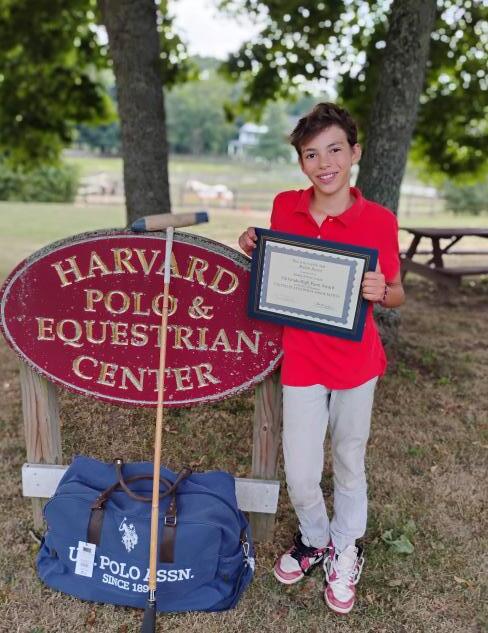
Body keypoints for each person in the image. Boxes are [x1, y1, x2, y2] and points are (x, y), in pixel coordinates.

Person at [238, 102, 405, 615]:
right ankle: (315, 537)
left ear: (355, 153)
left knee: (349, 460)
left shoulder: (378, 220)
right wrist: (253, 244)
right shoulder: (284, 206)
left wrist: (381, 291)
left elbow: (397, 291)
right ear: (301, 162)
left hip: (356, 364)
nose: (324, 163)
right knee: (302, 470)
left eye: (335, 150)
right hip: (303, 360)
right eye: (311, 154)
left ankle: (346, 546)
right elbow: (275, 267)